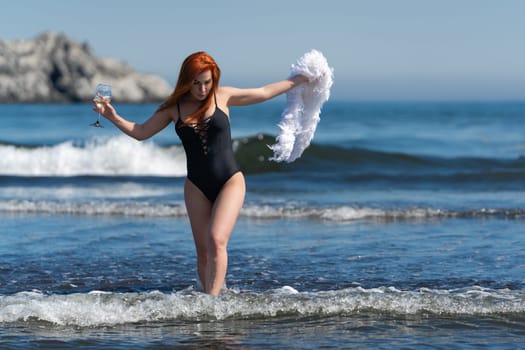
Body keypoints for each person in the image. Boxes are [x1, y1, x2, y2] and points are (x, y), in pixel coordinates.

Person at [93, 51, 308, 295]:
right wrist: (112, 116)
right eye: (197, 83)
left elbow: (263, 92)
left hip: (230, 181)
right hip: (196, 185)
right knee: (203, 251)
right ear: (187, 81)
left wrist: (296, 80)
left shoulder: (222, 96)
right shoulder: (173, 108)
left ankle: (212, 305)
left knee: (216, 240)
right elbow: (141, 132)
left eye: (207, 82)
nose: (203, 88)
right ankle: (210, 296)